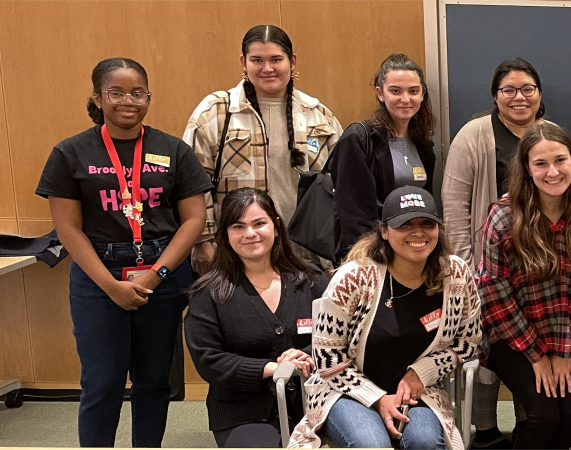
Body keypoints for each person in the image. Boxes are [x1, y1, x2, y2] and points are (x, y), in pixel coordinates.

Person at [36, 57, 213, 447]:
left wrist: (158, 275)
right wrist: (110, 285)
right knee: (103, 383)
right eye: (116, 92)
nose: (127, 101)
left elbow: (194, 220)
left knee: (154, 382)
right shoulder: (70, 153)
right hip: (99, 279)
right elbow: (68, 228)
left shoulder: (174, 150)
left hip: (162, 275)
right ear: (98, 98)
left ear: (149, 97)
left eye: (138, 92)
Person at [289, 186, 482, 449]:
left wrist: (421, 373)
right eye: (405, 224)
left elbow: (468, 341)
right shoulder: (353, 278)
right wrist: (378, 398)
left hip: (418, 392)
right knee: (372, 444)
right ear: (384, 231)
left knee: (424, 442)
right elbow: (327, 358)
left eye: (427, 223)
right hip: (345, 391)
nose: (418, 232)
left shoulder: (456, 274)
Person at [441, 58, 546, 447]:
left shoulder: (548, 135)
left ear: (539, 94)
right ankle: (484, 432)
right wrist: (468, 269)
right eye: (509, 90)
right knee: (484, 351)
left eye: (527, 89)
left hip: (536, 272)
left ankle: (526, 429)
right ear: (495, 96)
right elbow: (453, 206)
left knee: (529, 348)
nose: (519, 98)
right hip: (483, 268)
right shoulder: (474, 135)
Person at [476, 123, 571, 449]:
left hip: (558, 330)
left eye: (560, 160)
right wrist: (535, 354)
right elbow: (493, 293)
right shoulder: (504, 218)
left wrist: (561, 350)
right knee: (545, 415)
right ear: (527, 168)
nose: (553, 172)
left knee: (570, 413)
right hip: (507, 333)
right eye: (541, 164)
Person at [183, 25, 342, 272]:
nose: (267, 68)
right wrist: (203, 241)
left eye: (276, 59)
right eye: (257, 60)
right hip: (237, 255)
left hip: (306, 255)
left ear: (292, 61)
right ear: (243, 62)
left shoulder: (319, 115)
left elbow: (341, 184)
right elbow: (192, 183)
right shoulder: (216, 112)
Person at [185, 188, 329, 447]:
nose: (250, 234)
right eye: (238, 226)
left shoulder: (312, 280)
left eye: (259, 223)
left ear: (275, 226)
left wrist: (306, 356)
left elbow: (338, 340)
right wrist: (271, 369)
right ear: (225, 235)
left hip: (316, 404)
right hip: (243, 412)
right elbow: (209, 360)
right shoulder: (208, 293)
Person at [330, 54, 438, 262]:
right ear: (380, 93)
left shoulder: (424, 145)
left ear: (422, 94)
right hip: (370, 256)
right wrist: (373, 259)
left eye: (413, 91)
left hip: (410, 254)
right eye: (395, 91)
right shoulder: (358, 139)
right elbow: (352, 214)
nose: (405, 99)